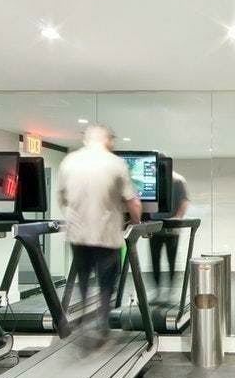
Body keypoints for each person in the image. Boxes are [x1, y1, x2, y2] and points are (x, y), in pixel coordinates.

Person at [57, 124, 142, 345]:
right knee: (107, 279)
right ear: (107, 140)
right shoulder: (115, 163)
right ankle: (102, 318)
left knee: (83, 274)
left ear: (86, 139)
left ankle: (82, 314)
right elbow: (132, 200)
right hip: (106, 233)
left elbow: (62, 198)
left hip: (78, 233)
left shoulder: (69, 161)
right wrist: (137, 221)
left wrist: (71, 217)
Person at [150, 170, 190, 291]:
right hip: (155, 227)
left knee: (170, 259)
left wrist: (177, 218)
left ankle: (170, 287)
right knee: (155, 259)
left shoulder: (177, 180)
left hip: (171, 228)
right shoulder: (154, 179)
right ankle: (157, 287)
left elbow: (184, 201)